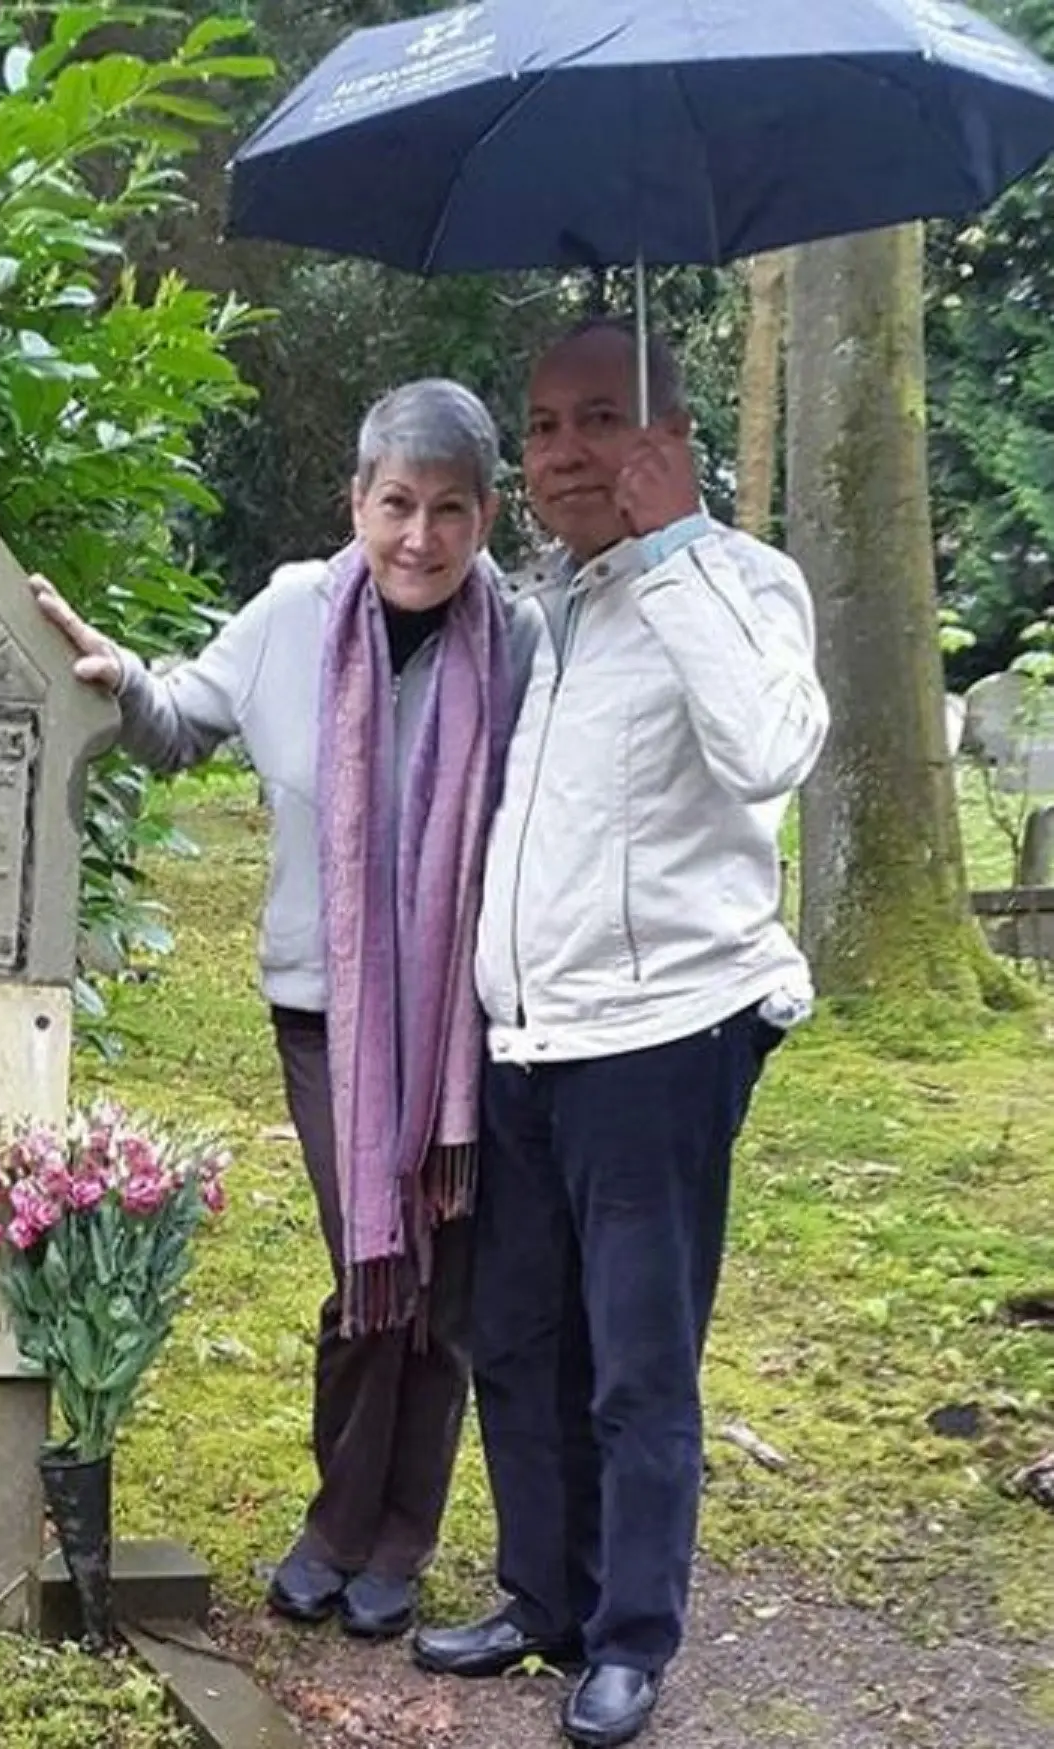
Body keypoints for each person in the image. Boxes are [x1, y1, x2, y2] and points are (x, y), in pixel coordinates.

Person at [32, 379, 526, 1641]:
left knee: (448, 1279)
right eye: (397, 504)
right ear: (356, 501)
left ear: (485, 516)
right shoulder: (293, 615)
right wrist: (115, 674)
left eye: (450, 511)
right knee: (374, 1259)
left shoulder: (518, 639)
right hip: (328, 1014)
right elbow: (185, 725)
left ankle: (398, 1540)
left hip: (473, 1033)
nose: (420, 537)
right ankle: (335, 1521)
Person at [411, 320, 829, 1749]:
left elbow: (767, 752)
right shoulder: (561, 604)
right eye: (541, 427)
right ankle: (542, 1596)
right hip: (528, 1038)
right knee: (518, 1340)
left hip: (660, 1038)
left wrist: (669, 550)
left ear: (670, 440)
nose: (561, 452)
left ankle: (631, 1636)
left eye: (598, 419)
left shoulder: (742, 582)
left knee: (636, 1356)